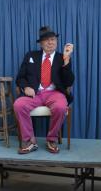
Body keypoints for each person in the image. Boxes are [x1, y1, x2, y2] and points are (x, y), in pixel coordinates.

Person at [13, 26, 74, 154]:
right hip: (35, 94)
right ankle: (30, 141)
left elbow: (69, 82)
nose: (50, 42)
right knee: (19, 105)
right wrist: (26, 87)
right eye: (46, 40)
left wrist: (67, 59)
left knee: (60, 107)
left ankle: (51, 139)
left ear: (56, 42)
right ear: (41, 43)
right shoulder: (31, 56)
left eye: (53, 39)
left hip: (55, 93)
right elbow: (20, 77)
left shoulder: (61, 58)